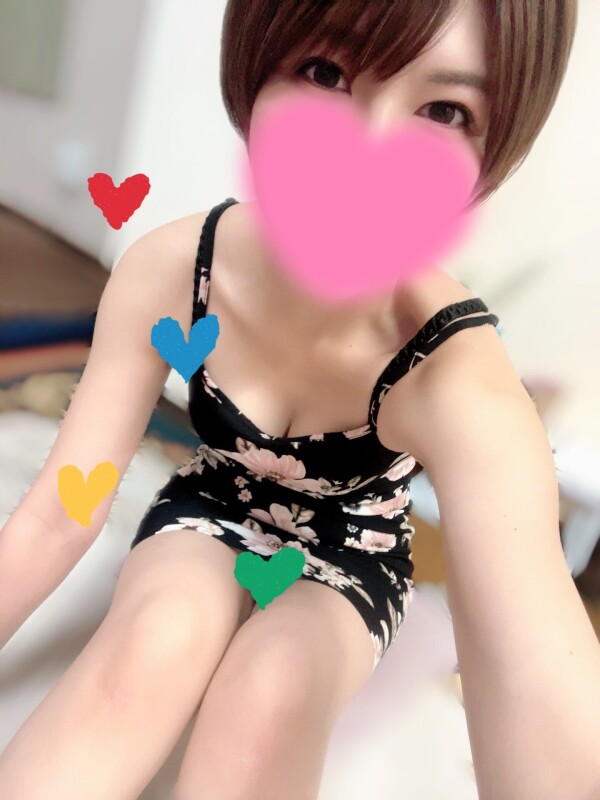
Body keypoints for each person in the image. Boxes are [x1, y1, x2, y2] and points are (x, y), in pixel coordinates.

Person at [2, 1, 599, 799]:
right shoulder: (173, 269)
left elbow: (533, 660)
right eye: (326, 72)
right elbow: (59, 511)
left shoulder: (452, 371)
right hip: (211, 503)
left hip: (354, 555)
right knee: (155, 636)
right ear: (258, 62)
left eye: (444, 111)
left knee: (271, 686)